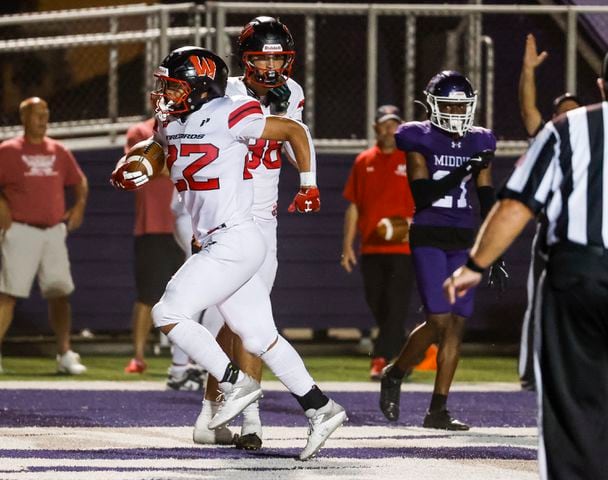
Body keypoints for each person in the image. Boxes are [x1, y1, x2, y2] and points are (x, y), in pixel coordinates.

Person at [110, 46, 346, 461]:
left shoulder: (231, 110)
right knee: (259, 335)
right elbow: (158, 145)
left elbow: (294, 130)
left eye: (174, 85)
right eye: (164, 85)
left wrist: (308, 183)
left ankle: (235, 381)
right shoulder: (174, 119)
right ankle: (321, 408)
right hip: (224, 239)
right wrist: (136, 162)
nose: (165, 93)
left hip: (235, 237)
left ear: (201, 88)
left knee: (168, 312)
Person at [445, 52, 608, 480]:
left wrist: (475, 265)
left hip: (582, 272)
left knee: (571, 401)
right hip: (580, 268)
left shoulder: (568, 130)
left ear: (602, 87)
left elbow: (516, 204)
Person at [192, 16, 310, 450]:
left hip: (265, 218)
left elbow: (295, 143)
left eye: (279, 56)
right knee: (243, 321)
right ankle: (249, 421)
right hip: (228, 214)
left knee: (238, 322)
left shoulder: (292, 93)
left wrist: (308, 180)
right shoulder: (226, 93)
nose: (271, 65)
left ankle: (214, 415)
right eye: (262, 56)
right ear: (245, 59)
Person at [379, 71, 505, 430]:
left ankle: (438, 409)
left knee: (456, 326)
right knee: (437, 320)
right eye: (448, 104)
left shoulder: (480, 140)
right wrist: (464, 167)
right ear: (433, 105)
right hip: (431, 234)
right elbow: (422, 196)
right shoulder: (418, 137)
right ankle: (396, 371)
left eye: (460, 105)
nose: (454, 111)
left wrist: (494, 245)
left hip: (464, 237)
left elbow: (485, 192)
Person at [0, 97, 88, 375]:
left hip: (53, 232)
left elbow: (80, 181)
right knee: (8, 296)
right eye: (37, 114)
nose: (42, 118)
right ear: (24, 118)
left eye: (45, 113)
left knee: (60, 294)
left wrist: (78, 207)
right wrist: (2, 209)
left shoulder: (59, 150)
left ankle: (64, 353)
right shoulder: (9, 150)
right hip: (21, 230)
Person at [517, 33, 582, 391]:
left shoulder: (597, 139)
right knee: (541, 302)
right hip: (553, 232)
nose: (570, 118)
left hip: (592, 235)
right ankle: (531, 371)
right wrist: (528, 71)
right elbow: (529, 111)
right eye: (564, 113)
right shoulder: (550, 138)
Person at [340, 105, 415, 381]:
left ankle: (381, 359)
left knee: (395, 305)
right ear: (375, 128)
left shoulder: (411, 159)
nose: (389, 129)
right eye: (384, 124)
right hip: (371, 246)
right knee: (377, 303)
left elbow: (425, 197)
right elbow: (354, 206)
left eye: (394, 124)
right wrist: (347, 246)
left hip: (403, 248)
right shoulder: (364, 161)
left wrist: (412, 225)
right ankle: (406, 348)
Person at [122, 116, 187, 381]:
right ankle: (137, 355)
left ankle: (188, 358)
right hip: (154, 225)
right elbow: (139, 167)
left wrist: (167, 164)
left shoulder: (193, 124)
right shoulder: (140, 130)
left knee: (192, 295)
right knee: (148, 296)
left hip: (192, 224)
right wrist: (179, 164)